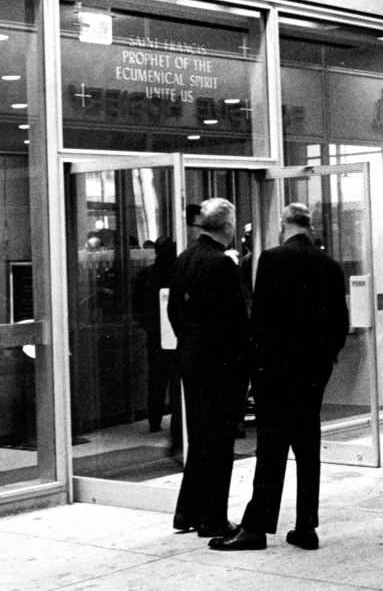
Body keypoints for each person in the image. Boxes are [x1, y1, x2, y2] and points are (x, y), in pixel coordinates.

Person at [210, 203, 349, 552]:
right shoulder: (329, 266)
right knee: (307, 446)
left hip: (276, 372)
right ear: (309, 226)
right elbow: (339, 323)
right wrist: (323, 361)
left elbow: (262, 320)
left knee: (271, 450)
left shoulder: (271, 260)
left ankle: (257, 527)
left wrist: (259, 367)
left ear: (285, 224)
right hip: (312, 373)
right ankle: (306, 526)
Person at [167, 198, 253, 538]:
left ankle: (187, 511)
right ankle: (213, 518)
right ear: (228, 228)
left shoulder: (185, 258)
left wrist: (189, 341)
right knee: (219, 444)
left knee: (201, 438)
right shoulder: (222, 265)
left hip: (191, 359)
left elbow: (174, 311)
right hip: (221, 366)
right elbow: (235, 322)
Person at [133, 236, 182, 449]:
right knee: (174, 379)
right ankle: (176, 422)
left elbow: (137, 305)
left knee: (156, 378)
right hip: (173, 333)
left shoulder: (147, 275)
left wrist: (148, 327)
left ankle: (155, 419)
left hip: (155, 334)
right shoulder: (178, 273)